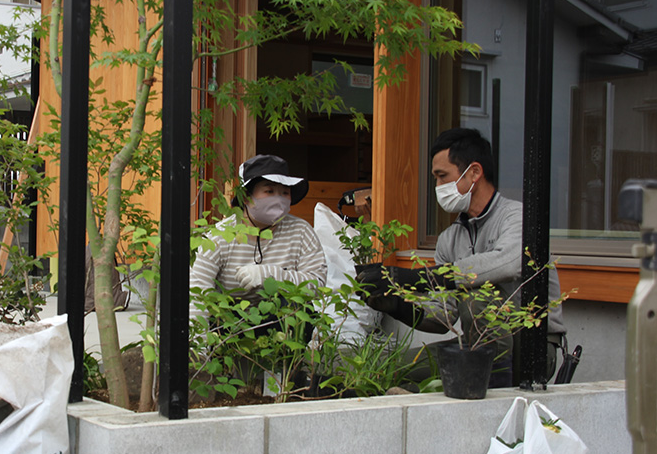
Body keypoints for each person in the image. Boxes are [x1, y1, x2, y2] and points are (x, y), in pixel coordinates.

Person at [361, 127, 565, 387]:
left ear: (474, 173)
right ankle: (471, 382)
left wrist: (415, 277)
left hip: (532, 348)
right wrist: (396, 304)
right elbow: (443, 315)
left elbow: (509, 264)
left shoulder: (519, 217)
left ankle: (492, 394)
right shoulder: (449, 238)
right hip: (472, 345)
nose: (437, 187)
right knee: (391, 368)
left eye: (442, 176)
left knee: (476, 295)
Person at [189, 154, 327, 330]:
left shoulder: (301, 231)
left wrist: (272, 276)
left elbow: (316, 284)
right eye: (269, 191)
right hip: (228, 325)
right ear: (246, 197)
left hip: (279, 325)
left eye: (285, 192)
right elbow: (197, 291)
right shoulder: (221, 236)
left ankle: (284, 358)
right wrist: (197, 351)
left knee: (298, 307)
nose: (279, 199)